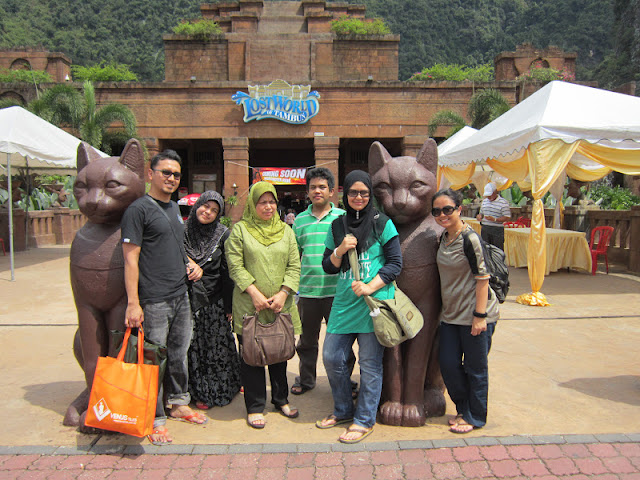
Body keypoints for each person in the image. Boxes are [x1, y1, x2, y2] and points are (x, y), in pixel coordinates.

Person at [121, 150, 208, 447]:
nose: (171, 178)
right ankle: (155, 417)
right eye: (166, 172)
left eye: (176, 174)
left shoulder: (172, 208)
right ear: (150, 174)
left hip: (180, 294)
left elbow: (173, 245)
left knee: (179, 354)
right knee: (153, 361)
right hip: (153, 299)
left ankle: (179, 402)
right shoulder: (138, 210)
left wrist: (190, 263)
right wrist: (133, 303)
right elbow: (130, 260)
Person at [316, 170, 402, 444]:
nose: (358, 197)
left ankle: (364, 420)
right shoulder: (337, 226)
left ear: (370, 195)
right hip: (344, 303)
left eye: (364, 192)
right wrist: (340, 250)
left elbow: (395, 264)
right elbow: (328, 267)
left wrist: (369, 286)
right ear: (345, 194)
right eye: (353, 192)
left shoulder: (382, 223)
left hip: (372, 304)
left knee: (370, 364)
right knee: (332, 357)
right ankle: (343, 410)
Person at [225, 181, 302, 429]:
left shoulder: (286, 231)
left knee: (279, 352)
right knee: (252, 355)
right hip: (250, 305)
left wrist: (284, 293)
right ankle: (255, 406)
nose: (268, 207)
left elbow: (294, 265)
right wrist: (254, 293)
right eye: (262, 202)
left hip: (280, 304)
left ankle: (281, 399)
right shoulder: (240, 230)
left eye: (272, 202)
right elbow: (235, 265)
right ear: (252, 204)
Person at [433, 188, 499, 434]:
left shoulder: (470, 239)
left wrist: (479, 316)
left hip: (475, 315)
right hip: (451, 315)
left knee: (475, 368)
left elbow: (483, 279)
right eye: (437, 211)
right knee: (448, 364)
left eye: (447, 209)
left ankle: (475, 416)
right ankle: (463, 408)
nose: (442, 215)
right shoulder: (443, 238)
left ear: (459, 209)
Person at [290, 168, 356, 396]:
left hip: (338, 292)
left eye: (322, 187)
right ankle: (306, 380)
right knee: (307, 341)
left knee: (342, 341)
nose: (317, 191)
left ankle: (345, 381)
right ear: (307, 192)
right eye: (313, 187)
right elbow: (295, 257)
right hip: (308, 292)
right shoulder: (299, 221)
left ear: (331, 191)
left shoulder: (343, 217)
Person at [183, 191, 241, 410]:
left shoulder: (222, 235)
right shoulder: (182, 232)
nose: (208, 212)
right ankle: (198, 391)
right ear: (197, 205)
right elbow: (171, 256)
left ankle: (223, 387)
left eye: (214, 210)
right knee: (193, 348)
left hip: (213, 301)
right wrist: (187, 262)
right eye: (205, 206)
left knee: (217, 347)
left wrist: (229, 307)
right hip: (187, 300)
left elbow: (227, 273)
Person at [476, 182, 511, 250]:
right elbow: (481, 213)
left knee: (497, 250)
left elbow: (507, 217)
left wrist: (495, 219)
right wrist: (479, 216)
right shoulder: (484, 202)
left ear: (495, 192)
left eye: (490, 195)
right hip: (485, 228)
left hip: (497, 229)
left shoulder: (503, 202)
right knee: (485, 249)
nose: (488, 197)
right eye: (487, 195)